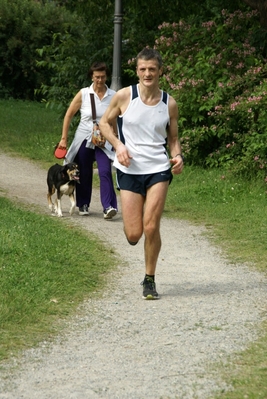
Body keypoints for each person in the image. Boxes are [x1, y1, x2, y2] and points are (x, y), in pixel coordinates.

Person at [99, 48, 184, 299]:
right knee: (134, 233)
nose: (148, 73)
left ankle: (149, 279)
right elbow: (104, 123)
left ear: (160, 71)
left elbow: (174, 139)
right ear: (137, 71)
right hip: (129, 169)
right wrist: (118, 145)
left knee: (151, 225)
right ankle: (139, 237)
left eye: (152, 69)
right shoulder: (125, 96)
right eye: (143, 69)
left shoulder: (170, 103)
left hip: (158, 169)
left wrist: (178, 157)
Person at [57, 62, 118, 219]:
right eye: (97, 77)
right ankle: (83, 203)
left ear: (107, 76)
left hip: (104, 138)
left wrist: (117, 139)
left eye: (103, 77)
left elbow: (115, 120)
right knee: (83, 170)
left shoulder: (113, 95)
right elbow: (69, 114)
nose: (100, 80)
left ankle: (109, 206)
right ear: (91, 76)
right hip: (84, 136)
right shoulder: (84, 94)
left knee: (105, 170)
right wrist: (64, 138)